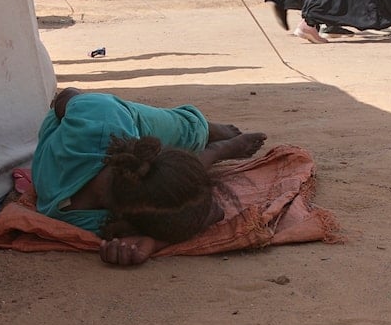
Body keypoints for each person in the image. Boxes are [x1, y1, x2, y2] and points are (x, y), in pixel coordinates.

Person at [31, 88, 268, 266]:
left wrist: (64, 108)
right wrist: (155, 242)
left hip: (110, 124)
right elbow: (213, 213)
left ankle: (206, 134)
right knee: (182, 155)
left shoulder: (101, 119)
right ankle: (213, 145)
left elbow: (66, 97)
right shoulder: (91, 221)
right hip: (117, 129)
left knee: (182, 142)